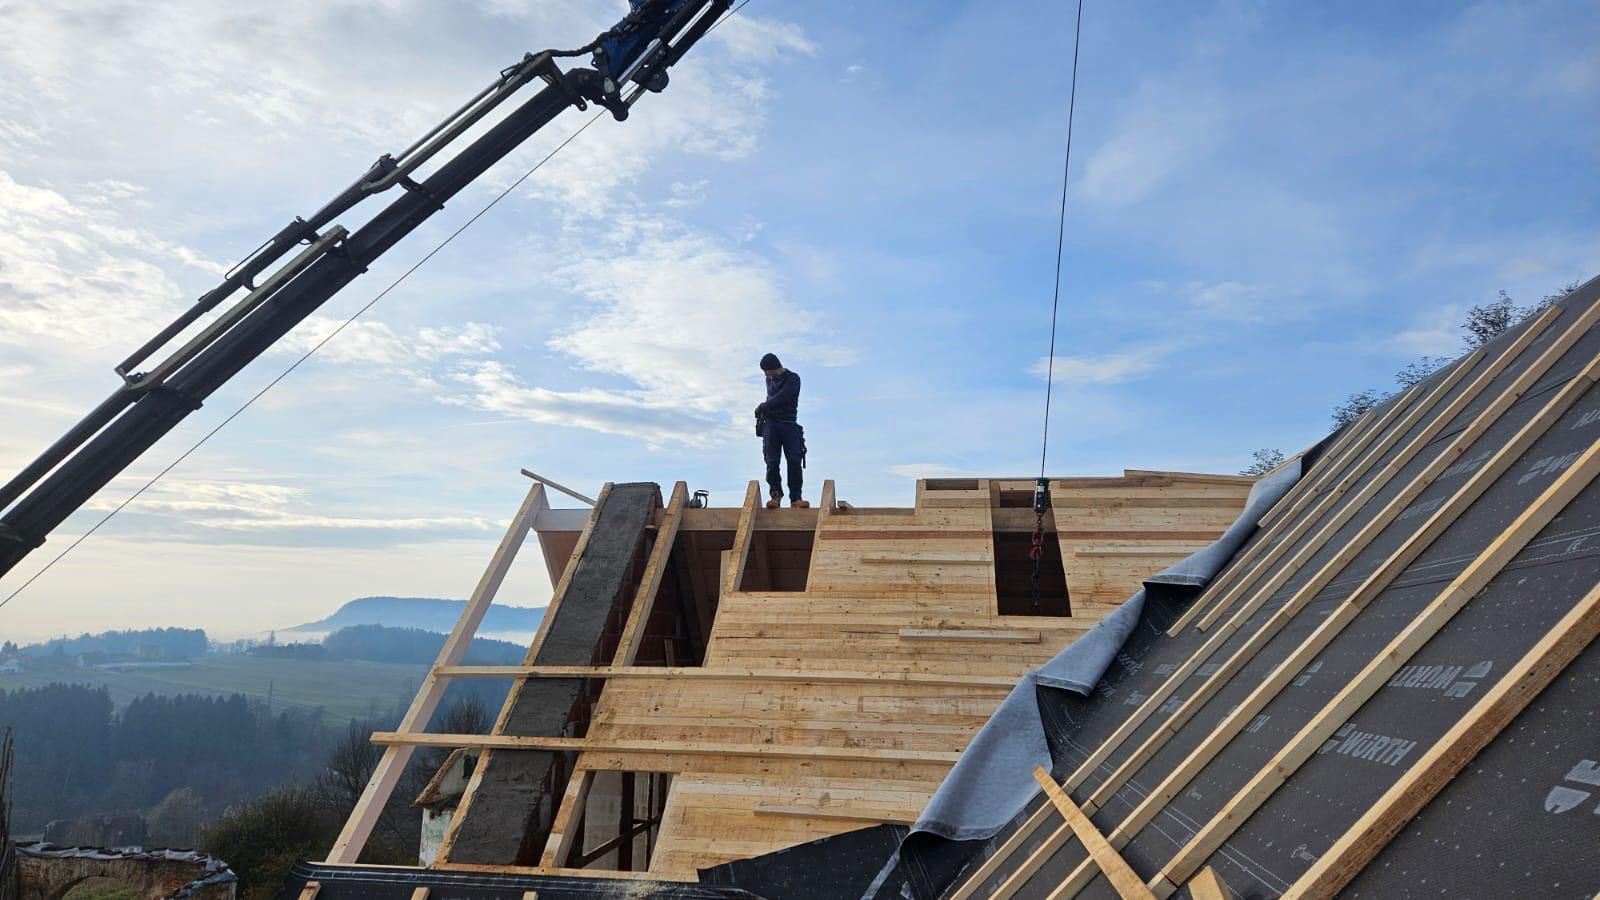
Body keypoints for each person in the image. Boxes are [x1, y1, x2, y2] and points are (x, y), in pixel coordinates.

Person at [755, 353, 807, 509]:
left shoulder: (793, 379)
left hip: (789, 424)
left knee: (794, 461)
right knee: (771, 462)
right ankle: (775, 495)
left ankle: (796, 499)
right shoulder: (768, 380)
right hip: (771, 425)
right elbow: (771, 399)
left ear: (773, 367)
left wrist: (764, 406)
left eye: (767, 371)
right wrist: (763, 412)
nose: (766, 374)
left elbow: (782, 397)